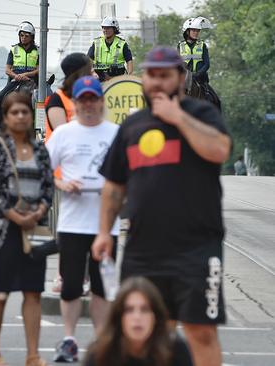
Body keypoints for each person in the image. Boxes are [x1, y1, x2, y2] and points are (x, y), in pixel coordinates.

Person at [92, 46, 232, 366]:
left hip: (197, 248)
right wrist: (103, 233)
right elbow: (113, 186)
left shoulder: (202, 114)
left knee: (201, 331)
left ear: (180, 78)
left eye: (164, 75)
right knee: (146, 332)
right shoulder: (131, 127)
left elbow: (219, 150)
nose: (156, 82)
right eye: (150, 75)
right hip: (143, 249)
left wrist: (177, 117)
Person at [45, 76, 119, 363]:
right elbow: (44, 171)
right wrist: (63, 185)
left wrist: (114, 189)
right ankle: (69, 339)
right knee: (72, 285)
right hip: (73, 223)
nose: (88, 104)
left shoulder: (115, 133)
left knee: (102, 287)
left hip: (105, 224)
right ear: (74, 103)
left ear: (101, 101)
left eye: (93, 98)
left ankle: (101, 342)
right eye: (83, 99)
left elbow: (128, 176)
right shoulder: (64, 134)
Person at [0, 92, 54, 366]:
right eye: (15, 112)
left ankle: (33, 354)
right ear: (5, 117)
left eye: (25, 112)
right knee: (0, 292)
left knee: (33, 291)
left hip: (34, 228)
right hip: (1, 229)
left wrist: (38, 212)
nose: (21, 116)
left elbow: (48, 188)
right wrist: (16, 216)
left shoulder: (40, 151)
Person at [43, 53, 94, 293]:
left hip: (89, 172)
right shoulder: (57, 99)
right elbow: (63, 133)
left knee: (88, 231)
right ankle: (62, 275)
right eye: (89, 69)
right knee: (66, 229)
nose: (93, 73)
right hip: (63, 173)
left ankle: (85, 276)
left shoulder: (87, 96)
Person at [84, 277, 194, 366]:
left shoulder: (176, 351)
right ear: (119, 316)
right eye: (129, 310)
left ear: (155, 316)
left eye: (145, 309)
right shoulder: (100, 354)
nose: (137, 317)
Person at [0, 21, 39, 133]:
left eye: (26, 36)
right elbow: (7, 69)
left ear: (32, 37)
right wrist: (16, 76)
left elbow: (39, 69)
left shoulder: (37, 50)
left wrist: (25, 75)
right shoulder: (14, 50)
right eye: (21, 35)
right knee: (0, 97)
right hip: (15, 80)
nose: (23, 38)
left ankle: (42, 126)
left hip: (31, 81)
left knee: (44, 98)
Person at [88, 16, 133, 81]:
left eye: (108, 28)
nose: (105, 30)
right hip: (99, 78)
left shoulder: (122, 43)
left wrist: (129, 77)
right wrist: (93, 72)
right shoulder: (96, 42)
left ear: (114, 29)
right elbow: (88, 60)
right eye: (104, 28)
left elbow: (129, 61)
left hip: (117, 78)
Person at [178, 17, 212, 86]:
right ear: (187, 31)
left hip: (200, 79)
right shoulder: (180, 46)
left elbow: (207, 64)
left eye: (198, 31)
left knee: (213, 96)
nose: (196, 33)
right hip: (185, 79)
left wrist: (197, 74)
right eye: (194, 30)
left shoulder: (202, 45)